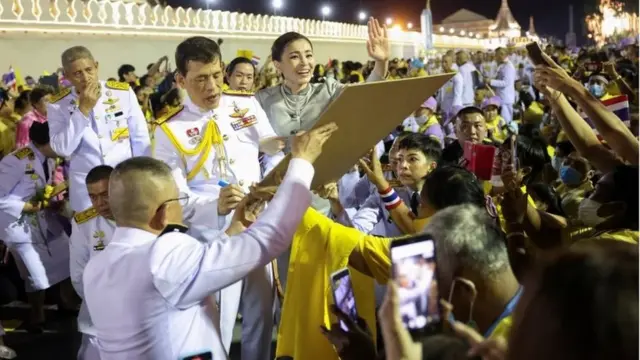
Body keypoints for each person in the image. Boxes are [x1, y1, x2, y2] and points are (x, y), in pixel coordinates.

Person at [83, 123, 335, 359]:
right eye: (178, 201)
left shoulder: (97, 267)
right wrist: (302, 163)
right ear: (163, 213)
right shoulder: (163, 256)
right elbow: (269, 239)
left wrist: (235, 228)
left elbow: (199, 266)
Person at [151, 36, 286, 359]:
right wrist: (215, 206)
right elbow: (174, 199)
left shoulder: (245, 104)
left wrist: (272, 182)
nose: (212, 86)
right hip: (213, 233)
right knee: (221, 317)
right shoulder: (169, 129)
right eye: (200, 79)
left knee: (262, 310)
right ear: (181, 80)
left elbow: (270, 151)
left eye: (215, 75)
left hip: (257, 217)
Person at [47, 46, 151, 212]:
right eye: (77, 73)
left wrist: (143, 178)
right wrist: (83, 110)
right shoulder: (57, 105)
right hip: (86, 189)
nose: (86, 77)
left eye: (89, 70)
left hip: (123, 180)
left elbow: (140, 138)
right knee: (91, 236)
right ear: (66, 76)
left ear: (96, 66)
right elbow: (62, 149)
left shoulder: (121, 93)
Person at [0, 122, 74, 331]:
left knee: (68, 255)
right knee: (35, 273)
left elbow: (42, 189)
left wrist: (52, 203)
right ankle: (37, 314)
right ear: (47, 143)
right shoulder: (15, 161)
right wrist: (25, 206)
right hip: (18, 224)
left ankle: (65, 301)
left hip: (43, 218)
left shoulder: (48, 159)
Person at [69, 165, 115, 360]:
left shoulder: (141, 214)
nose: (100, 203)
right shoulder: (84, 223)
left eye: (105, 195)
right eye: (93, 197)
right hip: (99, 313)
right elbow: (78, 276)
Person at [485, 47, 516, 124]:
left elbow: (505, 83)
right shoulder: (502, 65)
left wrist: (491, 81)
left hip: (505, 98)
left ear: (502, 55)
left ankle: (510, 135)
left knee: (506, 121)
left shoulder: (508, 66)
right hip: (500, 97)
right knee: (501, 120)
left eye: (496, 55)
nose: (495, 57)